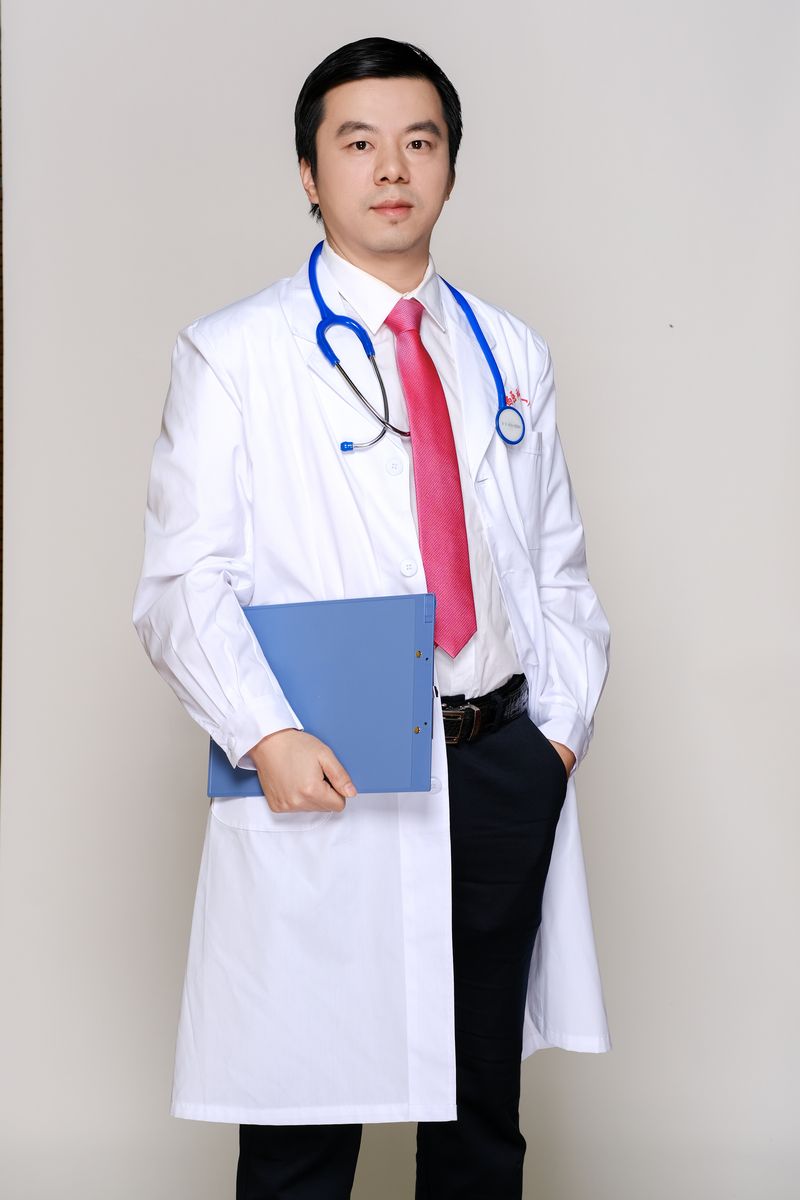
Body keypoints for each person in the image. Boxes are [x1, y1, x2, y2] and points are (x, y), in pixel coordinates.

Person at [132, 35, 611, 1200]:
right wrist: (265, 735)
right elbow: (182, 583)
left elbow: (555, 568)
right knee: (304, 1121)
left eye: (418, 141)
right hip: (330, 767)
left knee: (479, 1114)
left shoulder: (507, 350)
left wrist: (553, 740)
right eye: (357, 143)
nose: (391, 168)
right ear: (309, 172)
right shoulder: (234, 353)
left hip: (497, 761)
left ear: (449, 164)